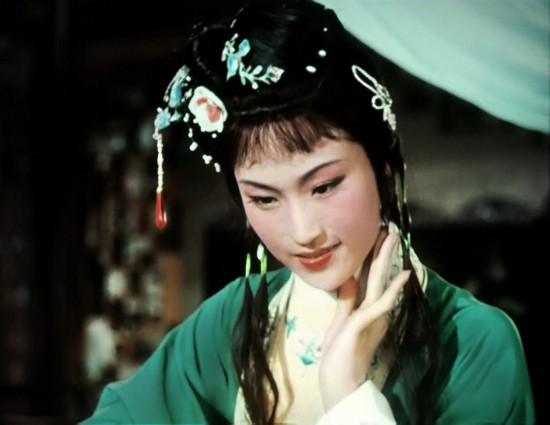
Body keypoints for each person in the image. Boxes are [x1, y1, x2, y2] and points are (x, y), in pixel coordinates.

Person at [80, 0, 535, 424]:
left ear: (382, 169)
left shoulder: (474, 342)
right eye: (264, 199)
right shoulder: (229, 321)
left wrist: (349, 394)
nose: (302, 232)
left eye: (325, 186)